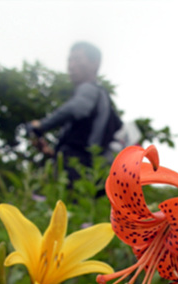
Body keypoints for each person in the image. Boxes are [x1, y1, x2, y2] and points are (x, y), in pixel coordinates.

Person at [27, 42, 120, 181]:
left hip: (78, 170)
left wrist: (40, 125)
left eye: (77, 59)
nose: (71, 66)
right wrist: (52, 154)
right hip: (91, 172)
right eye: (69, 60)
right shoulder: (104, 101)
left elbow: (77, 109)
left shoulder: (89, 89)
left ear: (95, 63)